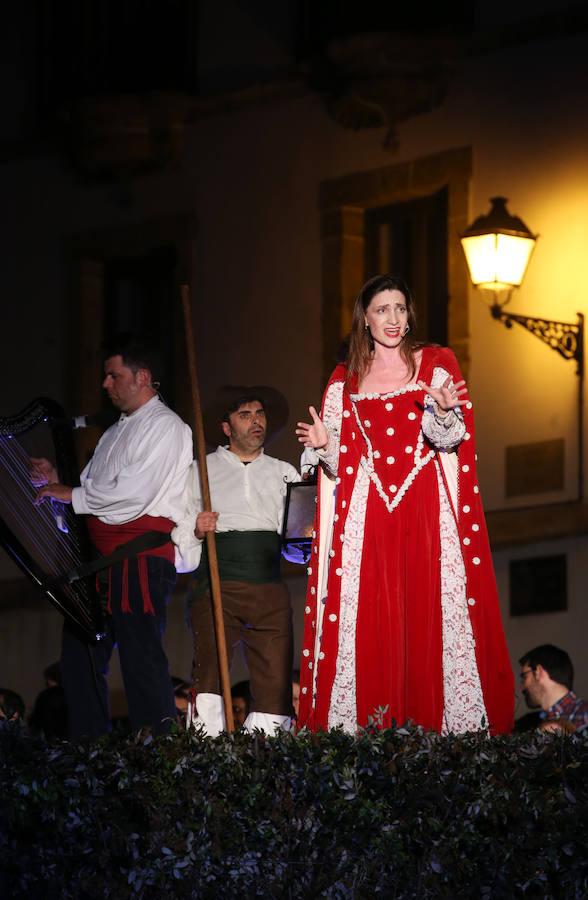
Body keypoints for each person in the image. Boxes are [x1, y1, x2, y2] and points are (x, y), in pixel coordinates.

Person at [295, 274, 514, 736]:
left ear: (409, 314)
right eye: (382, 310)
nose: (393, 319)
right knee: (371, 617)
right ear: (365, 319)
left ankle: (439, 730)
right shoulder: (345, 380)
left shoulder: (437, 363)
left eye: (399, 308)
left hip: (425, 505)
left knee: (428, 611)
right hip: (368, 514)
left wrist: (443, 414)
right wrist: (325, 445)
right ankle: (370, 734)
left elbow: (451, 441)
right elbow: (342, 462)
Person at [32, 333, 195, 739]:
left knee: (141, 658)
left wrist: (72, 494)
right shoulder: (112, 433)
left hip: (138, 557)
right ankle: (89, 750)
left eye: (113, 375)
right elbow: (92, 494)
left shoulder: (167, 427)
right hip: (98, 562)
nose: (105, 384)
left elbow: (133, 494)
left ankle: (159, 752)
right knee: (78, 659)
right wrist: (58, 482)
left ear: (142, 377)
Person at [187, 387, 300, 735]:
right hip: (218, 583)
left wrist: (303, 534)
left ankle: (268, 753)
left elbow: (296, 544)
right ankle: (208, 751)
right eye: (245, 415)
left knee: (275, 677)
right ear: (226, 427)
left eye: (260, 414)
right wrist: (196, 529)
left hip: (269, 586)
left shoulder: (284, 472)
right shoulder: (201, 470)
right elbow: (180, 521)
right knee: (210, 671)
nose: (256, 421)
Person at [518, 644, 588, 733]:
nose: (521, 688)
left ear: (538, 672)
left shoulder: (585, 715)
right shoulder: (530, 723)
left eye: (524, 677)